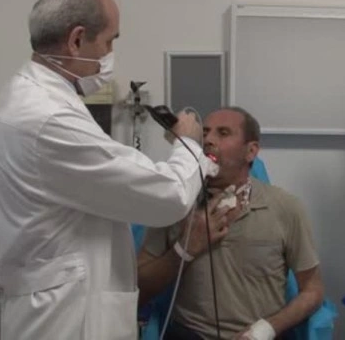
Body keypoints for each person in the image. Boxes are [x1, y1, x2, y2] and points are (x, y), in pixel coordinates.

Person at [0, 0, 216, 340]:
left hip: (51, 305)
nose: (109, 55)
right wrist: (189, 146)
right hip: (67, 318)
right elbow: (168, 197)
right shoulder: (49, 118)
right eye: (108, 42)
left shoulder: (22, 98)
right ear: (76, 40)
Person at [138, 107, 325, 340]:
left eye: (223, 133)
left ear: (251, 151)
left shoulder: (285, 208)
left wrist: (266, 329)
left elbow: (313, 290)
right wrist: (184, 249)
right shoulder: (175, 204)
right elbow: (138, 290)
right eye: (204, 133)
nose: (208, 140)